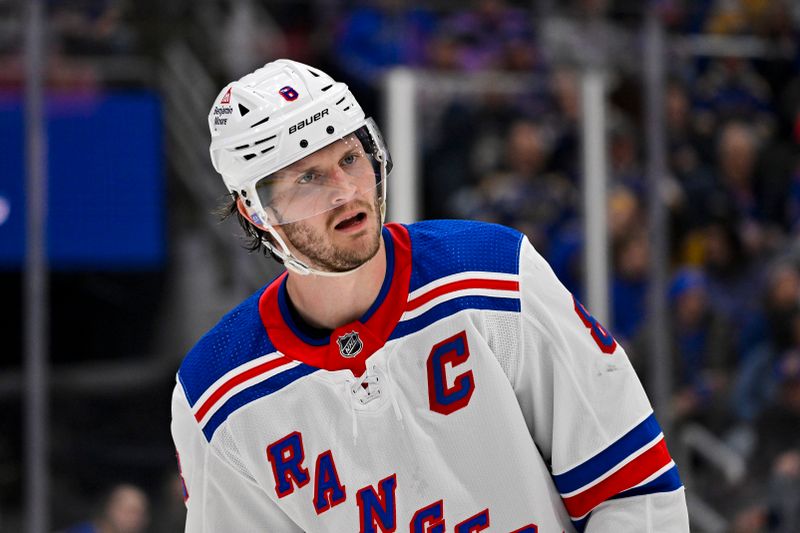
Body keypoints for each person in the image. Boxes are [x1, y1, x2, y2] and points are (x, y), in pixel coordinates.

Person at [170, 59, 689, 532]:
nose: (346, 191)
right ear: (255, 213)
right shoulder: (215, 396)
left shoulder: (494, 276)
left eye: (351, 157)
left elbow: (634, 490)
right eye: (308, 177)